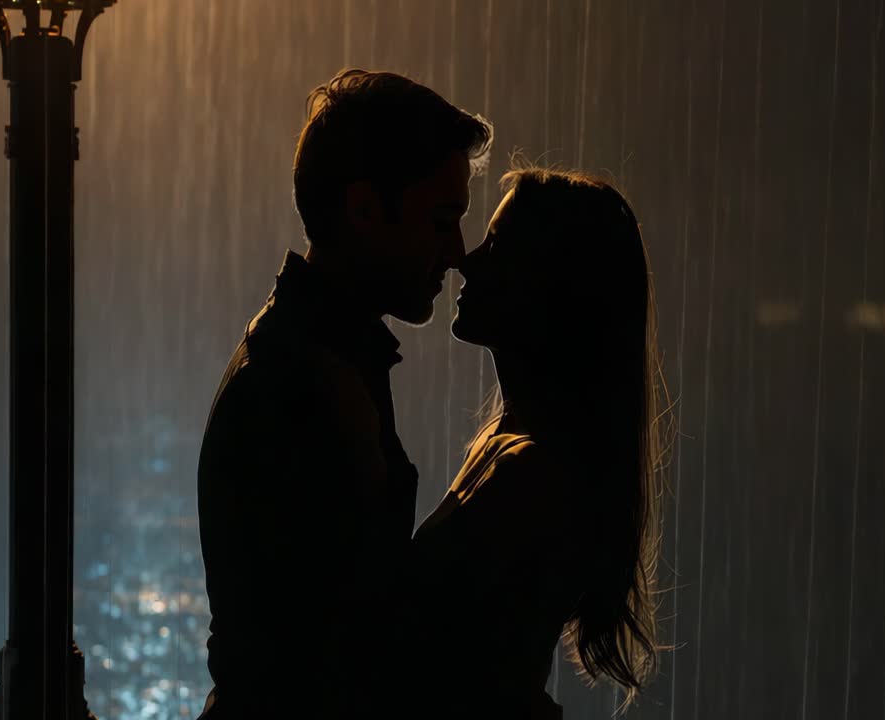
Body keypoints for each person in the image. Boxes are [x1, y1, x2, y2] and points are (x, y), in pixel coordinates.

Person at [195, 68, 492, 719]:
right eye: (442, 220)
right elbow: (331, 658)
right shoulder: (305, 384)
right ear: (363, 209)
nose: (458, 251)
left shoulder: (305, 356)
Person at [403, 165, 669, 719]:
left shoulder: (530, 473)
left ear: (551, 286)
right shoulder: (509, 447)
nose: (467, 261)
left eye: (497, 246)